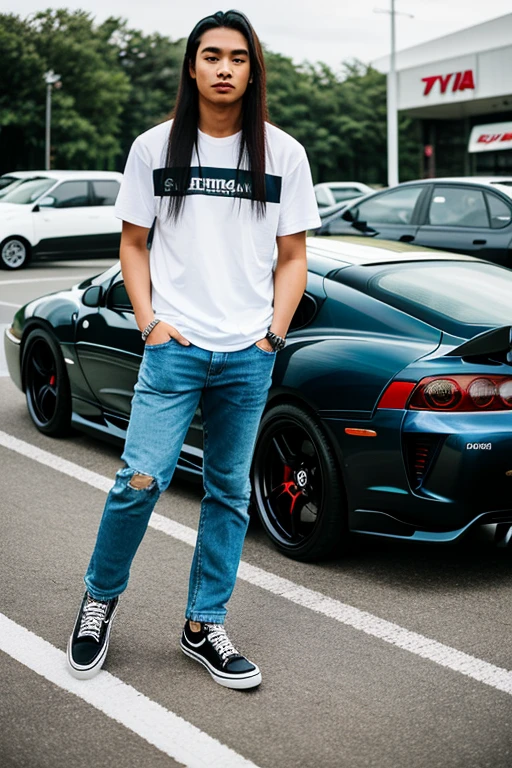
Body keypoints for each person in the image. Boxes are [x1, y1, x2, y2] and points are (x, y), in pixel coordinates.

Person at [66, 9, 320, 689]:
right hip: (173, 349)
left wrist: (272, 333)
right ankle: (99, 600)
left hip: (248, 354)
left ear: (252, 68)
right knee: (138, 481)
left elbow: (294, 255)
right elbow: (132, 243)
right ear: (192, 65)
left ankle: (203, 625)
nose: (224, 68)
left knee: (229, 494)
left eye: (238, 58)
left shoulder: (282, 154)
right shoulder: (155, 148)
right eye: (212, 56)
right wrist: (149, 322)